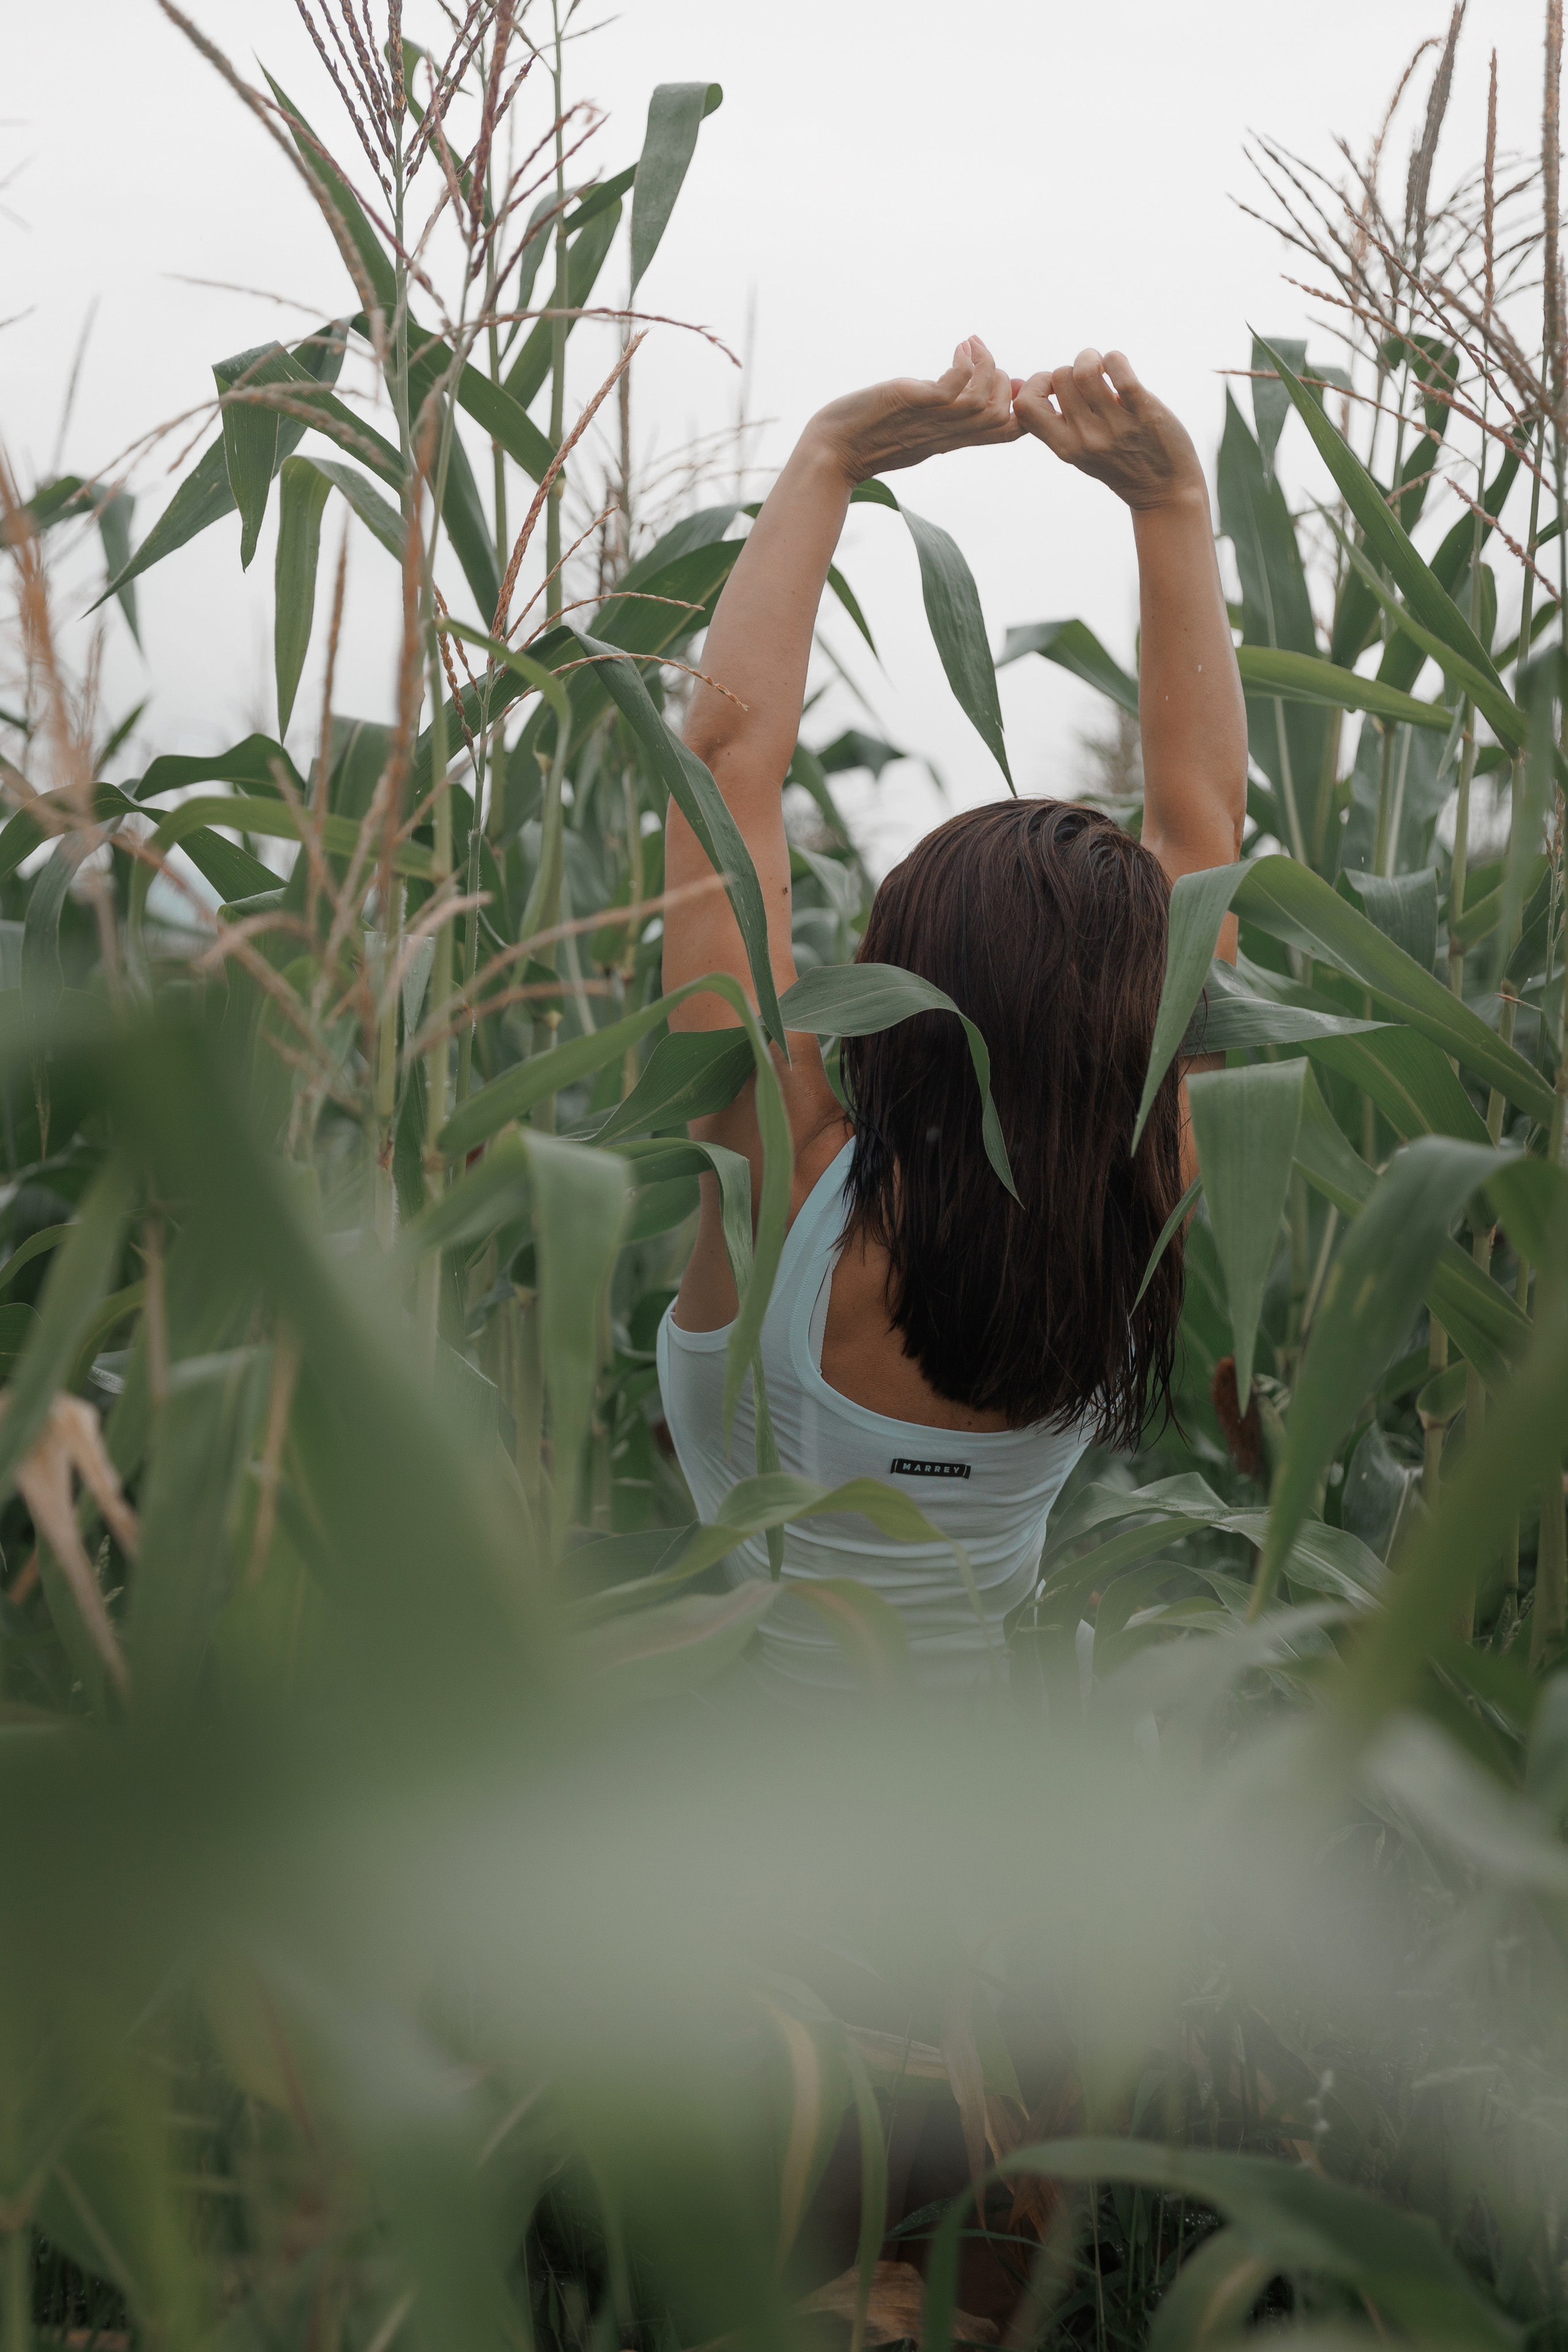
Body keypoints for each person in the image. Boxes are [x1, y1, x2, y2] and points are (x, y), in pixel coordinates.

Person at [655, 339, 1247, 1699]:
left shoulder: (785, 1186)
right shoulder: (1144, 1184)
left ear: (899, 986)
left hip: (748, 1835)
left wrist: (827, 461)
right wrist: (1172, 508)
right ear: (1129, 1028)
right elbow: (1199, 830)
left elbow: (726, 777)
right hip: (1002, 1819)